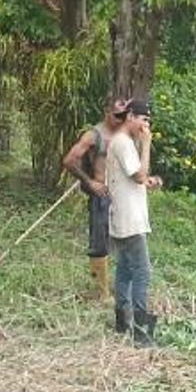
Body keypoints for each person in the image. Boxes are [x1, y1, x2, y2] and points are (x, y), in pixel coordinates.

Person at [105, 94, 163, 345]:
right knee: (142, 272)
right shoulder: (123, 142)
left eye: (148, 122)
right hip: (130, 221)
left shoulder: (124, 141)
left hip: (124, 217)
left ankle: (122, 321)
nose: (145, 127)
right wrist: (147, 144)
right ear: (130, 116)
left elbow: (136, 178)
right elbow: (139, 175)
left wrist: (147, 180)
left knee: (126, 271)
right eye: (143, 120)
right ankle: (141, 330)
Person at [61, 96, 129, 301]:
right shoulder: (94, 135)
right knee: (99, 242)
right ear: (107, 112)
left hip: (122, 195)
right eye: (117, 115)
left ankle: (121, 287)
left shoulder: (126, 133)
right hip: (102, 194)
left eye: (124, 115)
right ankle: (101, 291)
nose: (121, 118)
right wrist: (89, 182)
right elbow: (70, 160)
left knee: (125, 239)